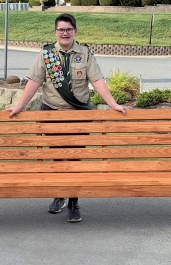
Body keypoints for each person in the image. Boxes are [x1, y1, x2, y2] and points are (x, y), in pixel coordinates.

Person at [7, 13, 127, 223]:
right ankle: (59, 195)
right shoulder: (47, 54)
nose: (65, 33)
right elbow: (34, 82)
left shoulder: (85, 54)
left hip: (78, 115)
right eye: (61, 29)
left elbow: (97, 79)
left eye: (68, 29)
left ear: (75, 31)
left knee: (74, 159)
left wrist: (113, 104)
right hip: (51, 113)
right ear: (55, 32)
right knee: (56, 157)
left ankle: (73, 201)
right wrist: (19, 106)